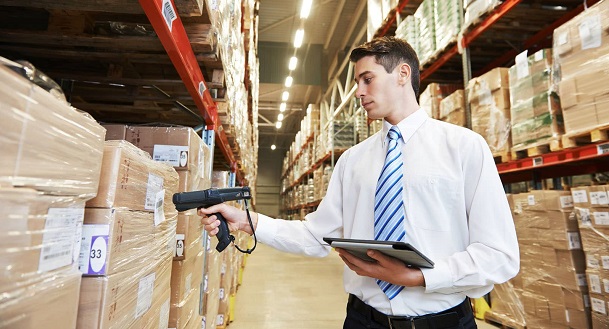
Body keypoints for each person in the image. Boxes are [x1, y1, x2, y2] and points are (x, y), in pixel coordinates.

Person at [199, 36, 519, 329]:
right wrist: (248, 221)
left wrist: (418, 276)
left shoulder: (464, 146)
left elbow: (499, 255)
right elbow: (316, 236)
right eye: (356, 83)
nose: (359, 92)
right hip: (364, 321)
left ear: (403, 74)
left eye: (368, 80)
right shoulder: (352, 161)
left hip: (443, 322)